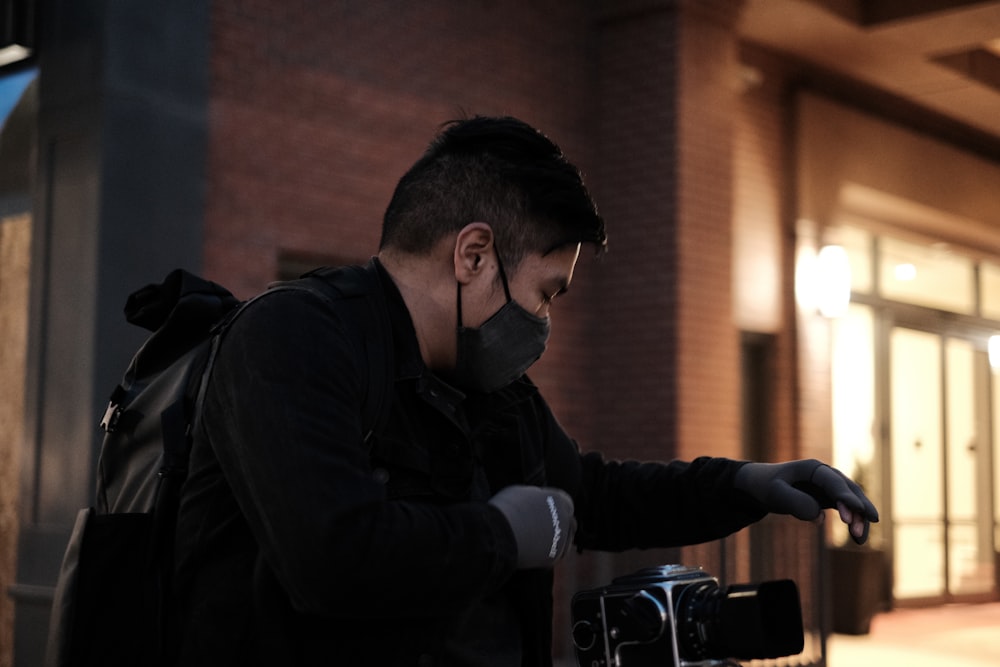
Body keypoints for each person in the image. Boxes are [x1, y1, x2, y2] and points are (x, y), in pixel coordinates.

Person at [172, 115, 878, 666]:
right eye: (546, 292)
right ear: (473, 254)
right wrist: (502, 533)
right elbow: (332, 555)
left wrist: (748, 484)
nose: (544, 320)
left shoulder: (490, 391)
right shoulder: (294, 337)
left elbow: (593, 496)